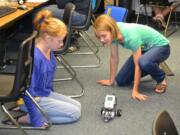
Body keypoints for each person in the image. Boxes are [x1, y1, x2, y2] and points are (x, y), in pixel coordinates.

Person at [13, 9, 81, 127]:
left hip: (44, 93)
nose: (62, 45)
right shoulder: (36, 57)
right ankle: (29, 116)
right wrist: (35, 120)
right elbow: (28, 91)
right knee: (74, 114)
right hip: (33, 98)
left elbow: (48, 79)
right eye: (60, 41)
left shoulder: (49, 50)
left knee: (78, 105)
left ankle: (34, 110)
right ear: (48, 38)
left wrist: (53, 100)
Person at [93, 15, 170, 101]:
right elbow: (114, 58)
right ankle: (152, 63)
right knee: (121, 81)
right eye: (99, 37)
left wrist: (135, 90)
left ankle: (161, 78)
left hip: (162, 47)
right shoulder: (113, 33)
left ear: (112, 30)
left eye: (103, 36)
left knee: (143, 62)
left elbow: (137, 65)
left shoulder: (130, 36)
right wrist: (111, 80)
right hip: (144, 49)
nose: (102, 40)